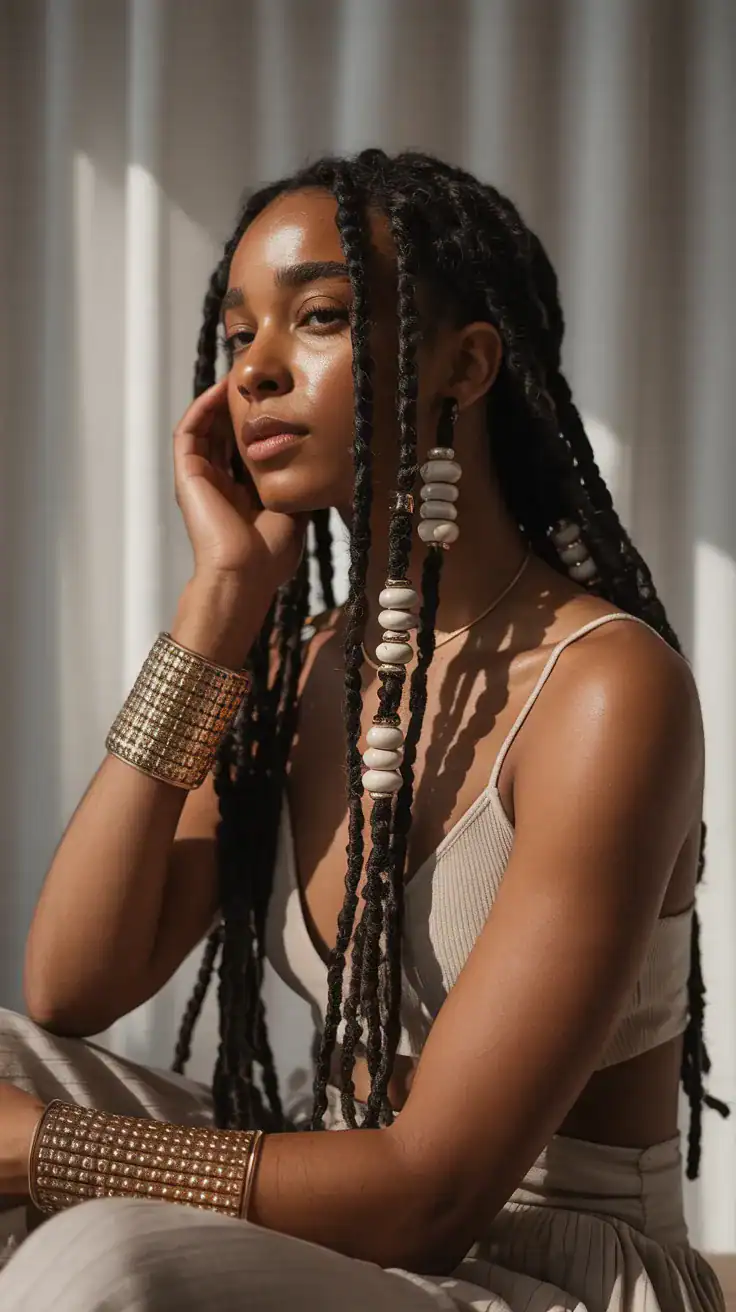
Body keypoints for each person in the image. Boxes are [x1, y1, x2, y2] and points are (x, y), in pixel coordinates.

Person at [0, 149, 728, 1311]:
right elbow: (71, 982)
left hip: (545, 1267)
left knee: (103, 1264)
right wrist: (220, 603)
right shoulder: (300, 665)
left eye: (320, 317)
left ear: (467, 364)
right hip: (346, 1242)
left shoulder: (604, 693)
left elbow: (429, 1193)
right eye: (238, 336)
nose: (256, 372)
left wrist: (52, 1155)